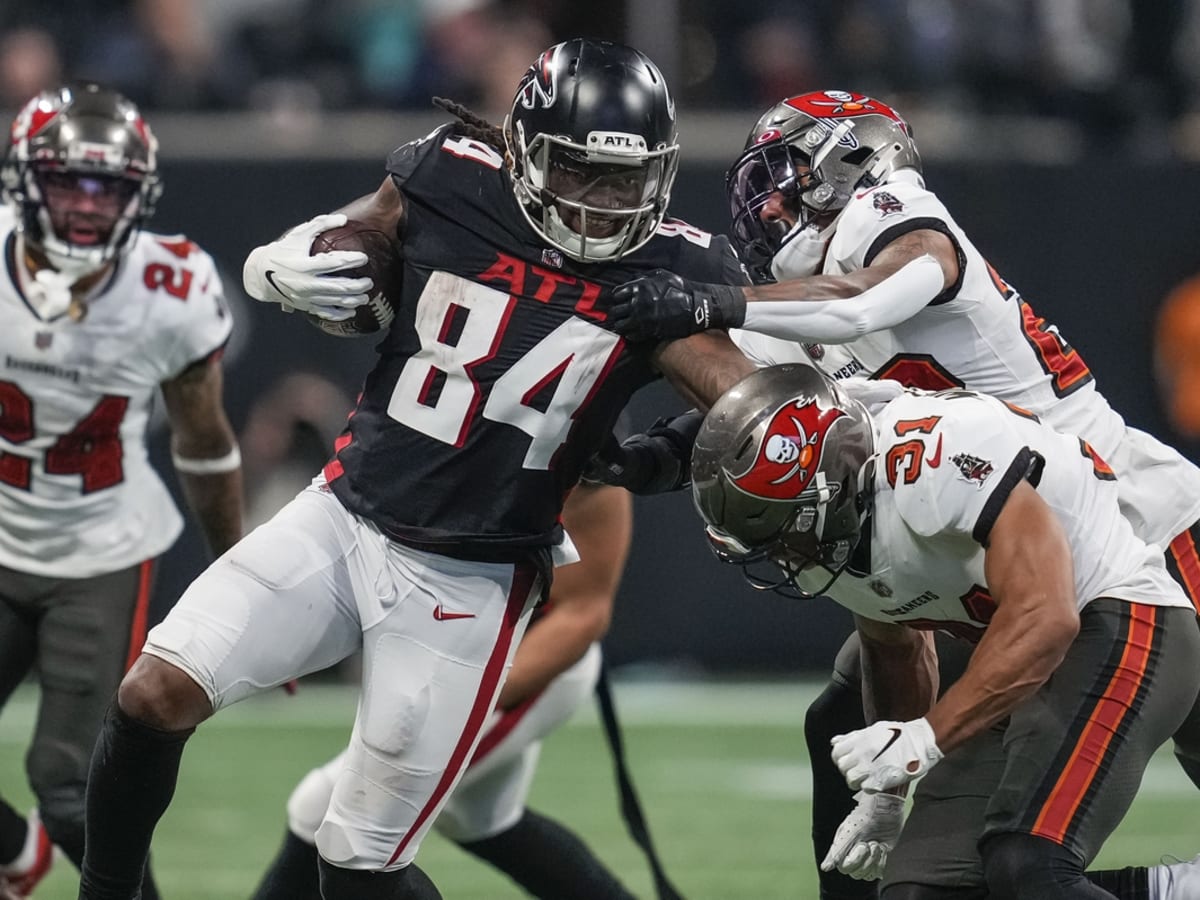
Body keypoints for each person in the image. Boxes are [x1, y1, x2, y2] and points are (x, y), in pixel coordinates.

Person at [76, 39, 754, 900]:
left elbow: (744, 405)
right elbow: (360, 228)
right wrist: (296, 256)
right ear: (523, 150)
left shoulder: (673, 269)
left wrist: (669, 455)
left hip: (470, 583)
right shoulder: (451, 173)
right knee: (150, 694)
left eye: (624, 180)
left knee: (358, 866)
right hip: (344, 514)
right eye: (579, 172)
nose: (601, 201)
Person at [604, 88, 1200, 899]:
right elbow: (773, 414)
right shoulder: (801, 301)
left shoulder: (890, 216)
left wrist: (715, 300)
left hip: (1141, 519)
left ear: (845, 164)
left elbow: (862, 304)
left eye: (782, 179)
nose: (767, 206)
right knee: (845, 721)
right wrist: (641, 462)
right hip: (984, 554)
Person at [690, 364, 1200, 899]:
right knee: (920, 893)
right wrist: (886, 795)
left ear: (829, 485)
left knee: (1030, 867)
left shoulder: (943, 454)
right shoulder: (828, 534)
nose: (789, 557)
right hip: (1008, 650)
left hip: (1120, 620)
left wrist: (924, 740)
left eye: (787, 531)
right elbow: (897, 650)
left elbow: (1048, 616)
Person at [0, 82, 243, 899]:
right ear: (26, 180)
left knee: (67, 788)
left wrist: (239, 574)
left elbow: (204, 444)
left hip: (98, 552)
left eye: (107, 186)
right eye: (69, 180)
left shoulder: (168, 288)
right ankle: (14, 855)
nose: (86, 205)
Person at [251, 481, 636, 900]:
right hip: (450, 644)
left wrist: (465, 687)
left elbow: (584, 611)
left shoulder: (576, 430)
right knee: (480, 819)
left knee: (323, 811)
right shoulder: (429, 427)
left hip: (524, 660)